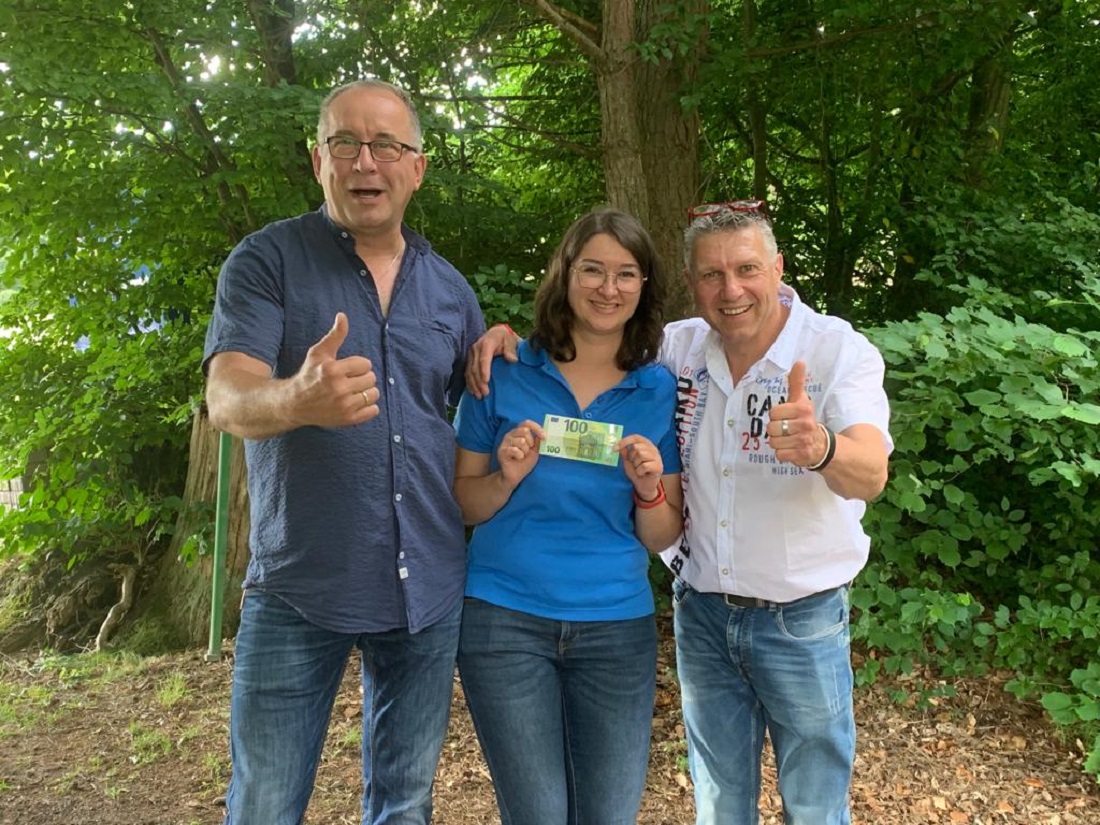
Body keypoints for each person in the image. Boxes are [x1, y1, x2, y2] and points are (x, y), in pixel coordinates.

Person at [465, 202, 892, 825]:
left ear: (777, 268)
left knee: (815, 803)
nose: (732, 289)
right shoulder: (676, 351)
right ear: (691, 285)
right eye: (712, 275)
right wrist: (501, 335)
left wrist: (821, 447)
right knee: (718, 800)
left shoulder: (835, 352)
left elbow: (872, 473)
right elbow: (589, 334)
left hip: (800, 618)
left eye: (747, 269)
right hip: (703, 615)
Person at [203, 79, 484, 825]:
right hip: (301, 584)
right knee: (263, 804)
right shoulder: (266, 262)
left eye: (387, 144)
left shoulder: (452, 292)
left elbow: (474, 421)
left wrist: (503, 346)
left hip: (425, 586)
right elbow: (227, 398)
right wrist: (298, 398)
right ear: (317, 159)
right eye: (346, 143)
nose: (367, 161)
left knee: (404, 804)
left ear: (416, 167)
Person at [452, 207, 683, 825]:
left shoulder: (658, 388)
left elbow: (664, 533)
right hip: (504, 622)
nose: (608, 288)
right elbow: (459, 502)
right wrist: (505, 477)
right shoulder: (502, 369)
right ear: (565, 273)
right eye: (593, 269)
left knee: (608, 815)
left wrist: (649, 489)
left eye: (626, 274)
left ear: (643, 287)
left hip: (615, 627)